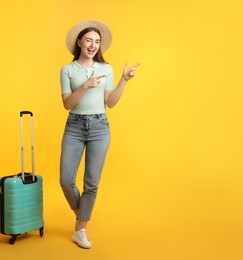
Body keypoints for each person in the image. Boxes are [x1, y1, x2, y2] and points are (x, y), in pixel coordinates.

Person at [59, 19, 140, 249]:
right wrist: (85, 85)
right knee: (66, 180)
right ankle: (81, 215)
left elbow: (111, 103)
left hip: (99, 127)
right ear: (79, 42)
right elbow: (67, 104)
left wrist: (124, 80)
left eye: (97, 41)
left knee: (91, 183)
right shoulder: (68, 70)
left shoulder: (105, 69)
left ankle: (81, 229)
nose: (93, 45)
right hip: (74, 126)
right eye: (89, 40)